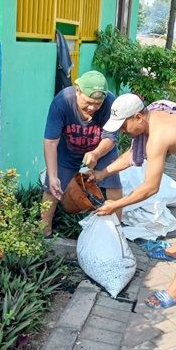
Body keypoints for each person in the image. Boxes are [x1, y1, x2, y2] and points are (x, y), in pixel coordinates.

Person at [91, 94, 176, 309]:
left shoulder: (159, 135)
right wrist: (102, 173)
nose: (122, 132)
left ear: (138, 117)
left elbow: (150, 188)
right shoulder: (150, 118)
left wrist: (116, 205)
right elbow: (133, 154)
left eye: (124, 126)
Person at [41, 71, 123, 236]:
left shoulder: (110, 103)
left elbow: (110, 137)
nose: (92, 107)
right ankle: (44, 230)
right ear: (77, 90)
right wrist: (52, 174)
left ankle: (116, 233)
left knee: (113, 185)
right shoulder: (62, 102)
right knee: (52, 188)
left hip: (101, 148)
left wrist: (96, 153)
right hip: (68, 148)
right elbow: (50, 142)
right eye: (88, 102)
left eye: (98, 103)